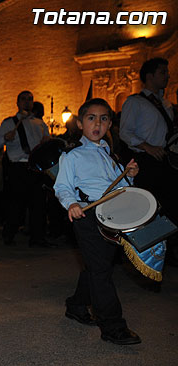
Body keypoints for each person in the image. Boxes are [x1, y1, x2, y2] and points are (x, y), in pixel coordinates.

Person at [54, 98, 141, 345]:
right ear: (80, 123)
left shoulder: (110, 154)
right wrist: (71, 204)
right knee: (102, 270)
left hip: (112, 215)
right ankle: (113, 326)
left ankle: (77, 304)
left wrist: (129, 176)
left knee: (98, 265)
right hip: (87, 215)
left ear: (110, 124)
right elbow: (62, 186)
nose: (97, 124)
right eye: (91, 118)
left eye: (104, 119)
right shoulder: (73, 155)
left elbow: (121, 188)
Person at [119, 57, 177, 265]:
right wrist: (147, 147)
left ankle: (165, 252)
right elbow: (125, 133)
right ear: (149, 76)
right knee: (149, 209)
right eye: (163, 72)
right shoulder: (135, 102)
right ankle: (145, 256)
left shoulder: (166, 104)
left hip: (165, 161)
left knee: (169, 208)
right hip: (146, 161)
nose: (167, 76)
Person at [0, 90, 53, 247]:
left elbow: (47, 143)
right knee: (16, 204)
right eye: (23, 99)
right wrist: (5, 138)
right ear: (17, 103)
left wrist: (47, 141)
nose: (27, 102)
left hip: (36, 168)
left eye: (30, 99)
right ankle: (9, 234)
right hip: (18, 167)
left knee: (38, 204)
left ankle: (37, 237)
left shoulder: (40, 123)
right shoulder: (9, 123)